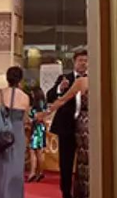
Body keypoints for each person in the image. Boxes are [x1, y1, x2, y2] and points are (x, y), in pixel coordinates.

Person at [39, 65, 90, 198]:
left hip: (91, 127)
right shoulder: (79, 81)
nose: (84, 64)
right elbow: (60, 100)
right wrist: (45, 113)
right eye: (81, 60)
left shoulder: (94, 81)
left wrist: (44, 113)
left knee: (86, 161)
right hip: (81, 127)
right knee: (81, 161)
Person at [0, 66, 30, 198]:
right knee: (16, 168)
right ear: (20, 79)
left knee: (0, 168)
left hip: (2, 134)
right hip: (18, 135)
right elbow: (25, 119)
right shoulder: (25, 97)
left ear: (7, 78)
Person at [27, 86, 47, 183]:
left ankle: (33, 172)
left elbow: (38, 117)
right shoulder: (43, 104)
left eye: (32, 93)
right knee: (38, 151)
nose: (31, 95)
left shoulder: (39, 105)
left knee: (34, 150)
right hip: (39, 129)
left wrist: (30, 119)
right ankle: (39, 172)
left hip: (37, 129)